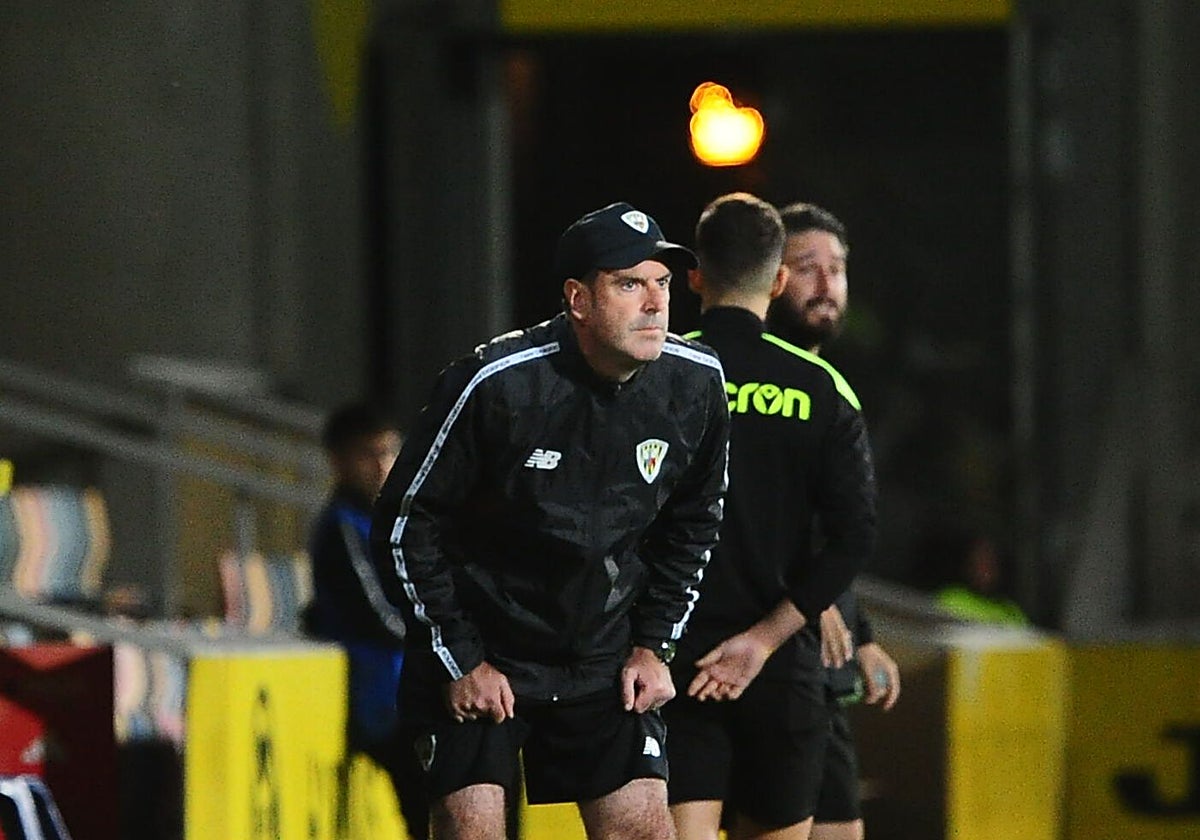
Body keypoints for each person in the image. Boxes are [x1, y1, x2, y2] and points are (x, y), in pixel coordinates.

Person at [369, 201, 731, 840]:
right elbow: (404, 525)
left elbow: (694, 524)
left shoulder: (696, 382)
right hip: (484, 645)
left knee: (645, 830)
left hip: (602, 654)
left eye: (663, 283)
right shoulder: (495, 384)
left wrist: (654, 645)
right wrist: (460, 658)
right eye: (629, 284)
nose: (655, 303)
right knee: (472, 830)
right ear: (578, 300)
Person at [664, 193, 878, 840]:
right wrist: (763, 639)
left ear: (694, 278)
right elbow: (853, 536)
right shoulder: (822, 390)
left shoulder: (659, 373)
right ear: (778, 279)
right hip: (781, 668)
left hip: (675, 661)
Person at [768, 202, 902, 840]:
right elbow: (747, 515)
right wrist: (806, 598)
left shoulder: (828, 384)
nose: (826, 284)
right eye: (807, 267)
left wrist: (861, 629)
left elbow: (830, 527)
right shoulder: (740, 378)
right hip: (762, 658)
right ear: (769, 278)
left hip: (818, 666)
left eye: (838, 268)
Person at [303, 401, 429, 839]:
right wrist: (440, 641)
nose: (382, 466)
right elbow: (376, 615)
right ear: (338, 461)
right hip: (380, 698)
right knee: (431, 810)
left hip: (408, 691)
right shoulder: (342, 525)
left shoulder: (395, 519)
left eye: (389, 452)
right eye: (368, 454)